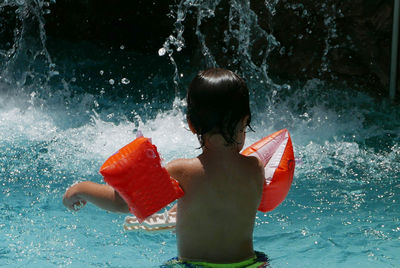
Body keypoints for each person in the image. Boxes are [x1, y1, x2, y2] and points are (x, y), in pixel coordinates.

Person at [63, 68, 269, 267]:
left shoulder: (182, 171)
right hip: (250, 264)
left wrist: (81, 189)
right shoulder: (256, 166)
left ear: (191, 125)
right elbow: (223, 199)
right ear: (245, 120)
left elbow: (124, 204)